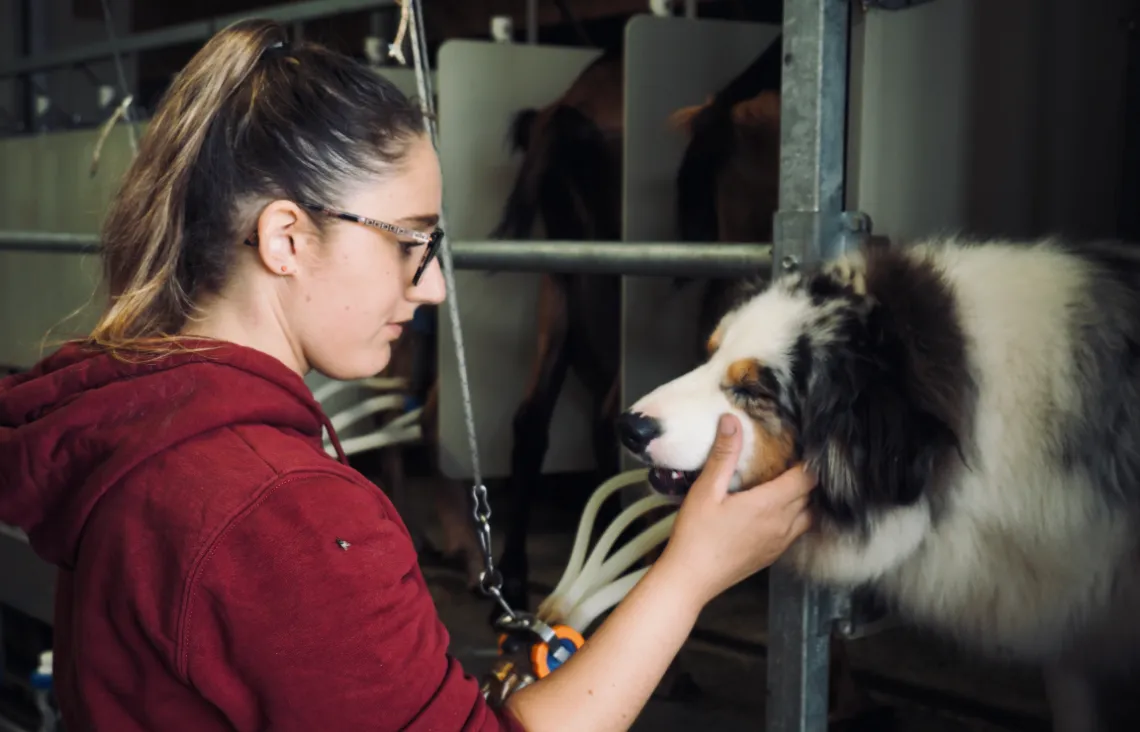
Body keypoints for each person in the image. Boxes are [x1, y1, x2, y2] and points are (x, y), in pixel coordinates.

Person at [0, 19, 815, 732]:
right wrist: (690, 575)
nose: (432, 288)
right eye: (409, 241)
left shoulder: (141, 425)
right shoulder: (278, 509)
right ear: (286, 239)